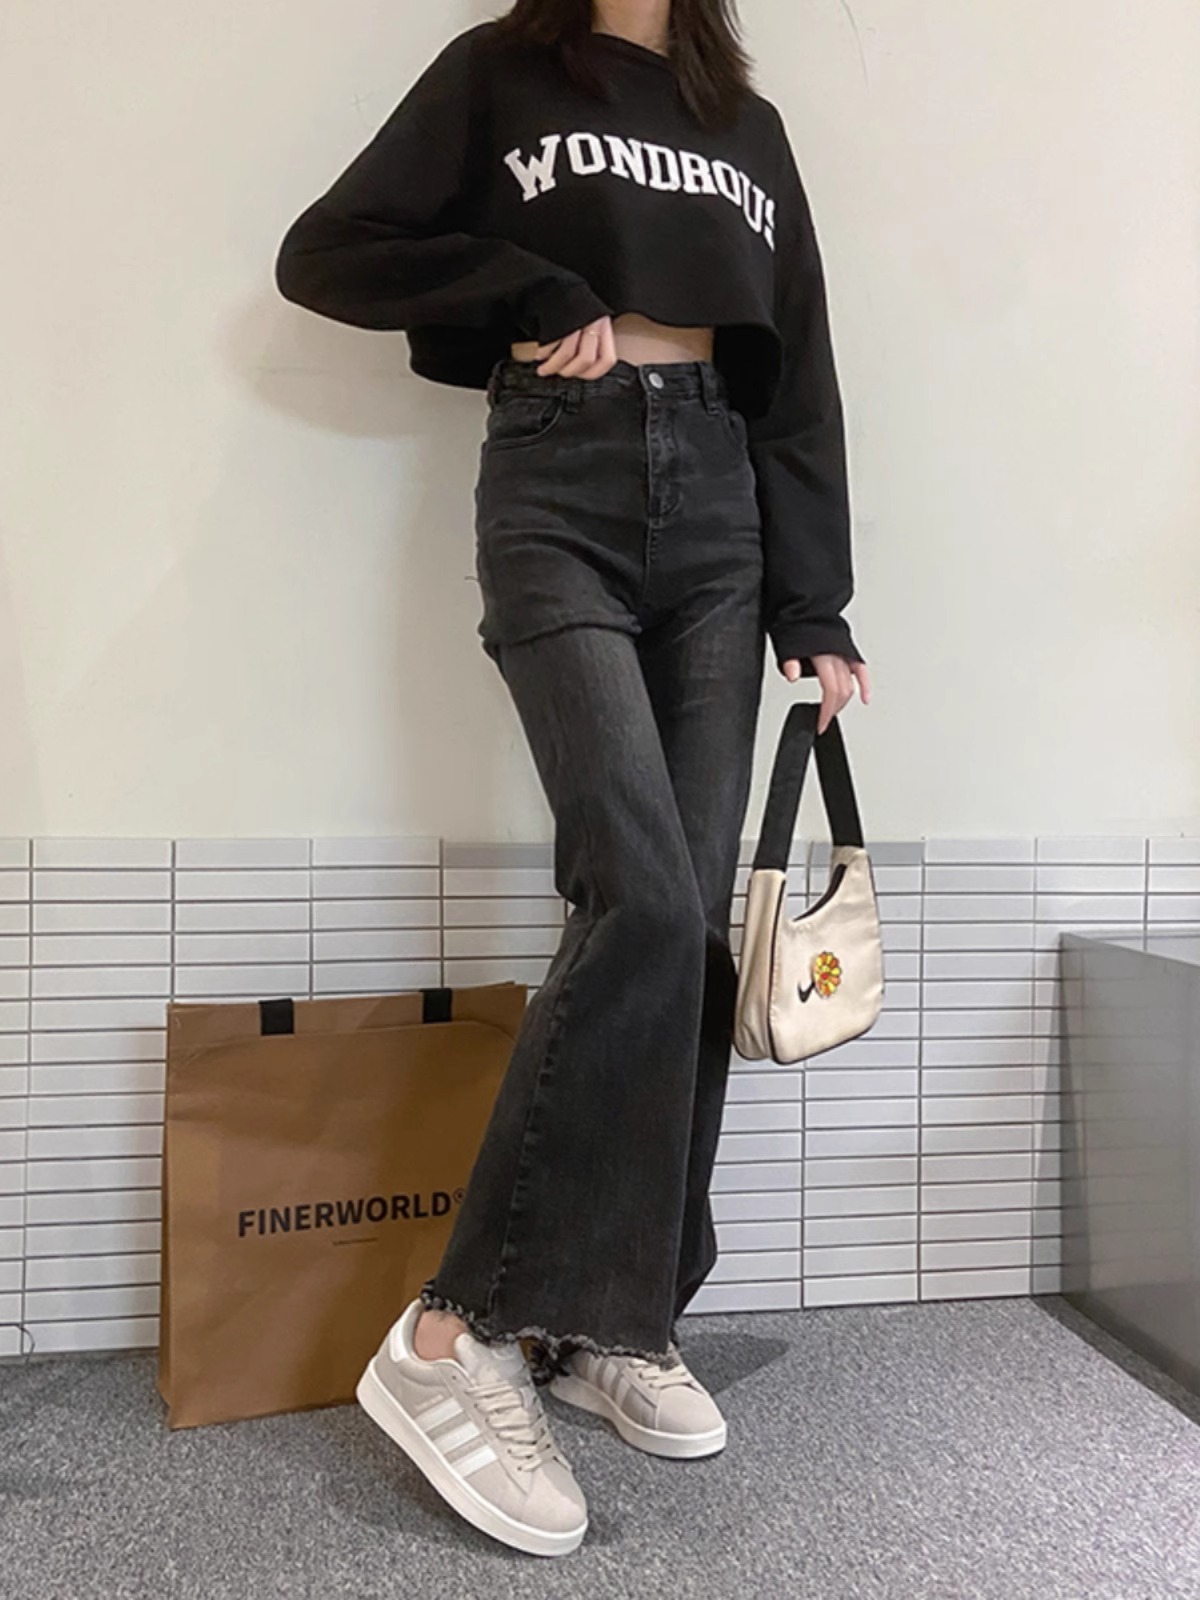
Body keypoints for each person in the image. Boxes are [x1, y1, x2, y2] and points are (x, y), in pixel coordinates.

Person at [275, 0, 870, 1558]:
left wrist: (816, 603)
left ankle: (615, 1314)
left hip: (723, 512)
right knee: (643, 900)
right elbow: (329, 251)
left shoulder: (744, 123)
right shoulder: (499, 72)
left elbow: (798, 363)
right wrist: (528, 288)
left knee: (686, 935)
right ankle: (454, 1330)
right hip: (559, 480)